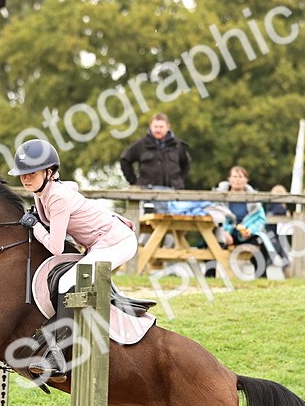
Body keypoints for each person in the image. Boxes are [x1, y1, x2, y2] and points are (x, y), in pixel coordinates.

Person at [11, 138, 137, 377]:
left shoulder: (56, 196)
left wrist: (35, 226)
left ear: (49, 172)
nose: (25, 178)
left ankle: (58, 354)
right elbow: (73, 186)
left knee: (69, 282)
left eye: (31, 173)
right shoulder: (44, 190)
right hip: (100, 241)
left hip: (117, 241)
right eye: (22, 174)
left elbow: (56, 248)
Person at [119, 113, 191, 212]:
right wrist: (135, 182)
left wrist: (179, 181)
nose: (158, 130)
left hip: (174, 194)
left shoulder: (178, 146)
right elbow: (124, 160)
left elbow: (186, 164)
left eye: (161, 127)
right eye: (155, 126)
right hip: (148, 194)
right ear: (150, 127)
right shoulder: (141, 144)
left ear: (168, 127)